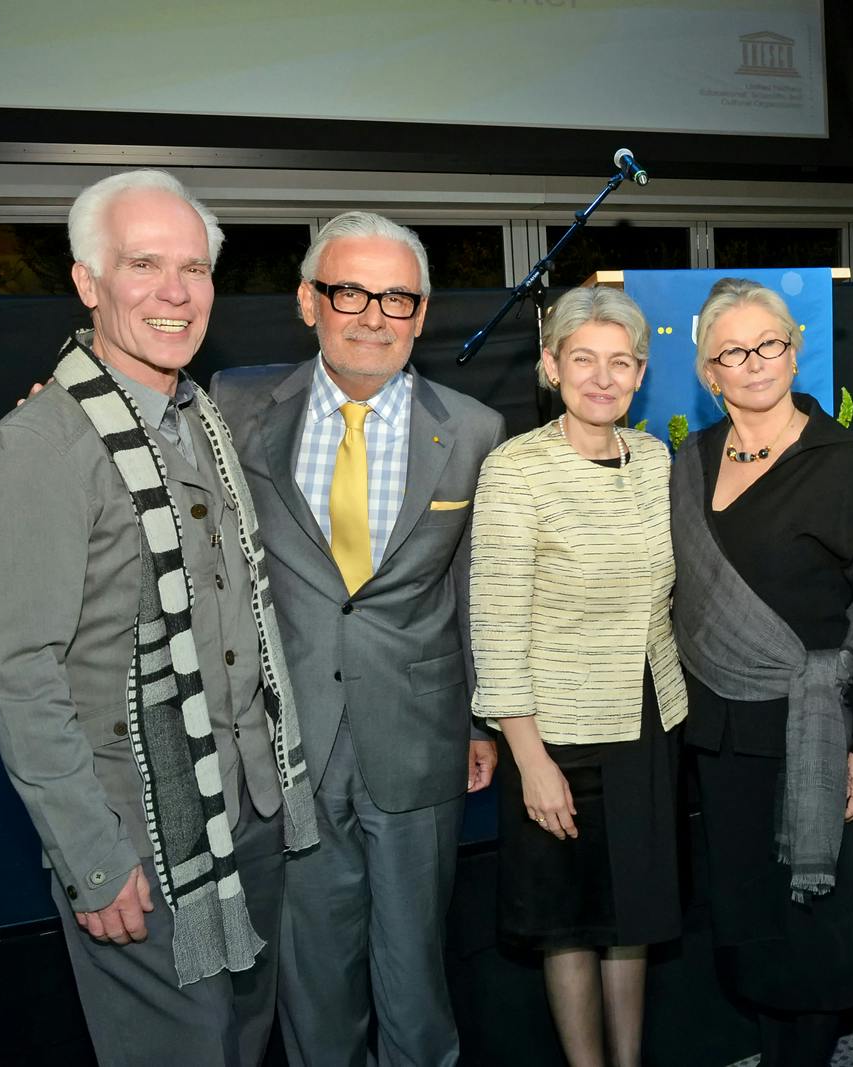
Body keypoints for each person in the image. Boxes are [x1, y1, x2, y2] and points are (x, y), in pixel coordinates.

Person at [0, 169, 318, 1066]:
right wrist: (92, 857)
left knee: (241, 1044)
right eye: (144, 264)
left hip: (251, 810)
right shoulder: (43, 446)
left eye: (193, 268)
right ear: (88, 283)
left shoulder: (204, 416)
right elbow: (20, 677)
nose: (175, 292)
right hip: (143, 838)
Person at [209, 212, 506, 1067]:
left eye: (397, 297)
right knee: (314, 975)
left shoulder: (476, 431)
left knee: (417, 975)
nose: (373, 314)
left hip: (418, 737)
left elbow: (472, 588)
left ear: (421, 313)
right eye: (350, 291)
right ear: (309, 301)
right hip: (286, 740)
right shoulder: (235, 405)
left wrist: (480, 722)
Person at [670, 277, 853, 1067]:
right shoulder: (692, 460)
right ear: (709, 373)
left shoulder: (841, 464)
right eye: (733, 352)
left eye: (769, 343)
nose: (755, 362)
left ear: (795, 350)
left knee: (812, 923)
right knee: (749, 918)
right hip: (722, 731)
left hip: (815, 728)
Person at [468, 287, 687, 1067]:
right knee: (568, 923)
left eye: (620, 362)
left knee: (633, 919)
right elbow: (494, 625)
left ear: (640, 373)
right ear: (551, 367)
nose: (603, 378)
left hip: (647, 722)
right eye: (583, 359)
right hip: (555, 736)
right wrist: (530, 760)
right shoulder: (516, 470)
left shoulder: (658, 458)